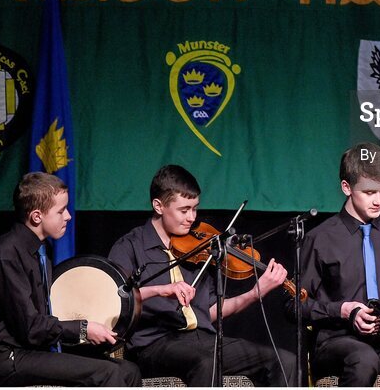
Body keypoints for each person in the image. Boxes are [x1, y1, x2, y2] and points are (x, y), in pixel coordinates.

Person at [108, 164, 296, 386]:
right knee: (206, 363)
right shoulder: (130, 246)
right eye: (184, 210)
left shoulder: (199, 248)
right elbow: (115, 297)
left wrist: (256, 293)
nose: (191, 217)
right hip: (153, 344)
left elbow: (211, 311)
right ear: (159, 206)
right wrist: (161, 289)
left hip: (203, 339)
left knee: (284, 361)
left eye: (195, 208)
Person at [0, 172, 142, 386]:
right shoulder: (6, 256)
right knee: (109, 374)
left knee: (128, 369)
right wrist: (83, 328)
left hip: (32, 351)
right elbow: (30, 328)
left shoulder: (41, 249)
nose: (68, 216)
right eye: (60, 211)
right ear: (36, 216)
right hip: (8, 358)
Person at [290, 142, 380, 386]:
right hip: (337, 343)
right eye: (369, 192)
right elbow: (293, 305)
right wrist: (343, 310)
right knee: (363, 358)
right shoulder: (321, 238)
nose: (379, 200)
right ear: (347, 187)